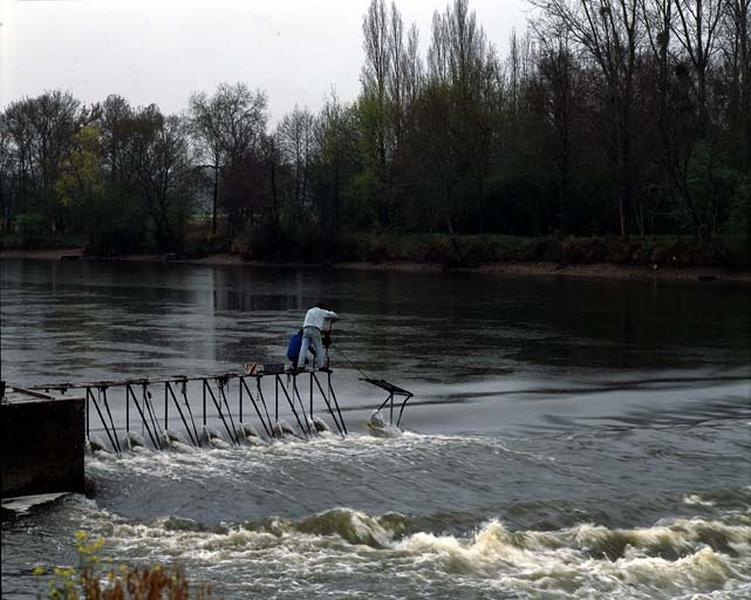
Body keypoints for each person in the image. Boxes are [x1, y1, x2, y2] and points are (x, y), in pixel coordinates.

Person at [298, 304, 338, 370]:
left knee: (303, 348)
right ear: (321, 307)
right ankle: (321, 366)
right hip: (315, 329)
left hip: (305, 329)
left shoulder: (309, 311)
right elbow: (334, 315)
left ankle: (300, 365)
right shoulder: (321, 311)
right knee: (318, 348)